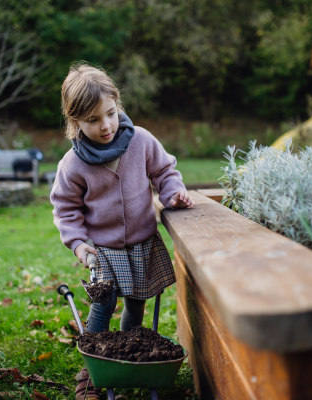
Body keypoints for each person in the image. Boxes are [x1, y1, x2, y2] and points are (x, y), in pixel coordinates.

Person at [50, 63, 194, 400]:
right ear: (75, 123)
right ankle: (93, 369)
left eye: (110, 114)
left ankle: (132, 356)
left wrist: (173, 193)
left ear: (118, 105)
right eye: (92, 121)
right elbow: (65, 209)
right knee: (103, 303)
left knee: (136, 303)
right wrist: (78, 244)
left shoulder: (140, 140)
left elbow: (164, 171)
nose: (105, 126)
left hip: (141, 243)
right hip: (102, 248)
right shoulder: (73, 165)